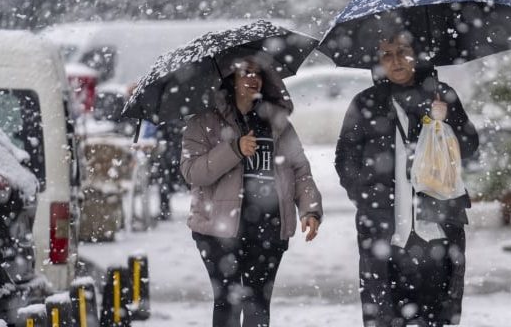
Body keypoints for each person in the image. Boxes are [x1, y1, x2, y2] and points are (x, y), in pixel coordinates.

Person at [335, 30, 479, 327]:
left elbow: (469, 147)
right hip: (385, 232)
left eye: (403, 51)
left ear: (418, 54)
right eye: (387, 54)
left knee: (438, 315)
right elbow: (345, 159)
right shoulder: (365, 103)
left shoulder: (442, 94)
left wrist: (446, 118)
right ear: (378, 61)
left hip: (437, 226)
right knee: (385, 315)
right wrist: (365, 196)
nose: (396, 60)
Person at [180, 55, 323, 327]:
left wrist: (310, 209)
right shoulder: (203, 122)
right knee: (228, 303)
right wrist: (233, 149)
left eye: (257, 73)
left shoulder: (277, 122)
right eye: (244, 72)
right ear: (229, 79)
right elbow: (192, 171)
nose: (252, 78)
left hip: (268, 227)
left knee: (258, 304)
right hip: (217, 231)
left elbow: (300, 171)